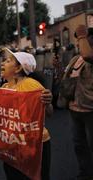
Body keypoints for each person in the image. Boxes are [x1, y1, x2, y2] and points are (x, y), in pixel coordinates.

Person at [0, 48, 53, 180]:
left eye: (7, 61)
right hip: (13, 144)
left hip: (36, 144)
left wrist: (48, 102)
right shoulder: (4, 88)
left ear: (18, 69)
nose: (2, 63)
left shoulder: (32, 85)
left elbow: (49, 113)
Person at [59, 25, 93, 180]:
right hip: (75, 109)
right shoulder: (76, 58)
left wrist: (81, 34)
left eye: (84, 39)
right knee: (79, 145)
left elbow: (87, 55)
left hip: (90, 110)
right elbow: (66, 78)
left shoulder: (88, 56)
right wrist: (58, 67)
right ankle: (85, 173)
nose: (80, 43)